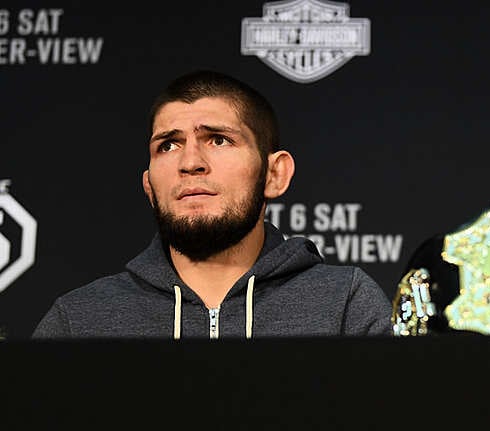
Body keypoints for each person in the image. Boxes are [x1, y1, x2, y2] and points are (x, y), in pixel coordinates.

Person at [32, 70, 392, 339]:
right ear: (149, 185)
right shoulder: (79, 321)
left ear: (274, 175)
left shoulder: (344, 304)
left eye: (218, 140)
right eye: (168, 145)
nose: (190, 162)